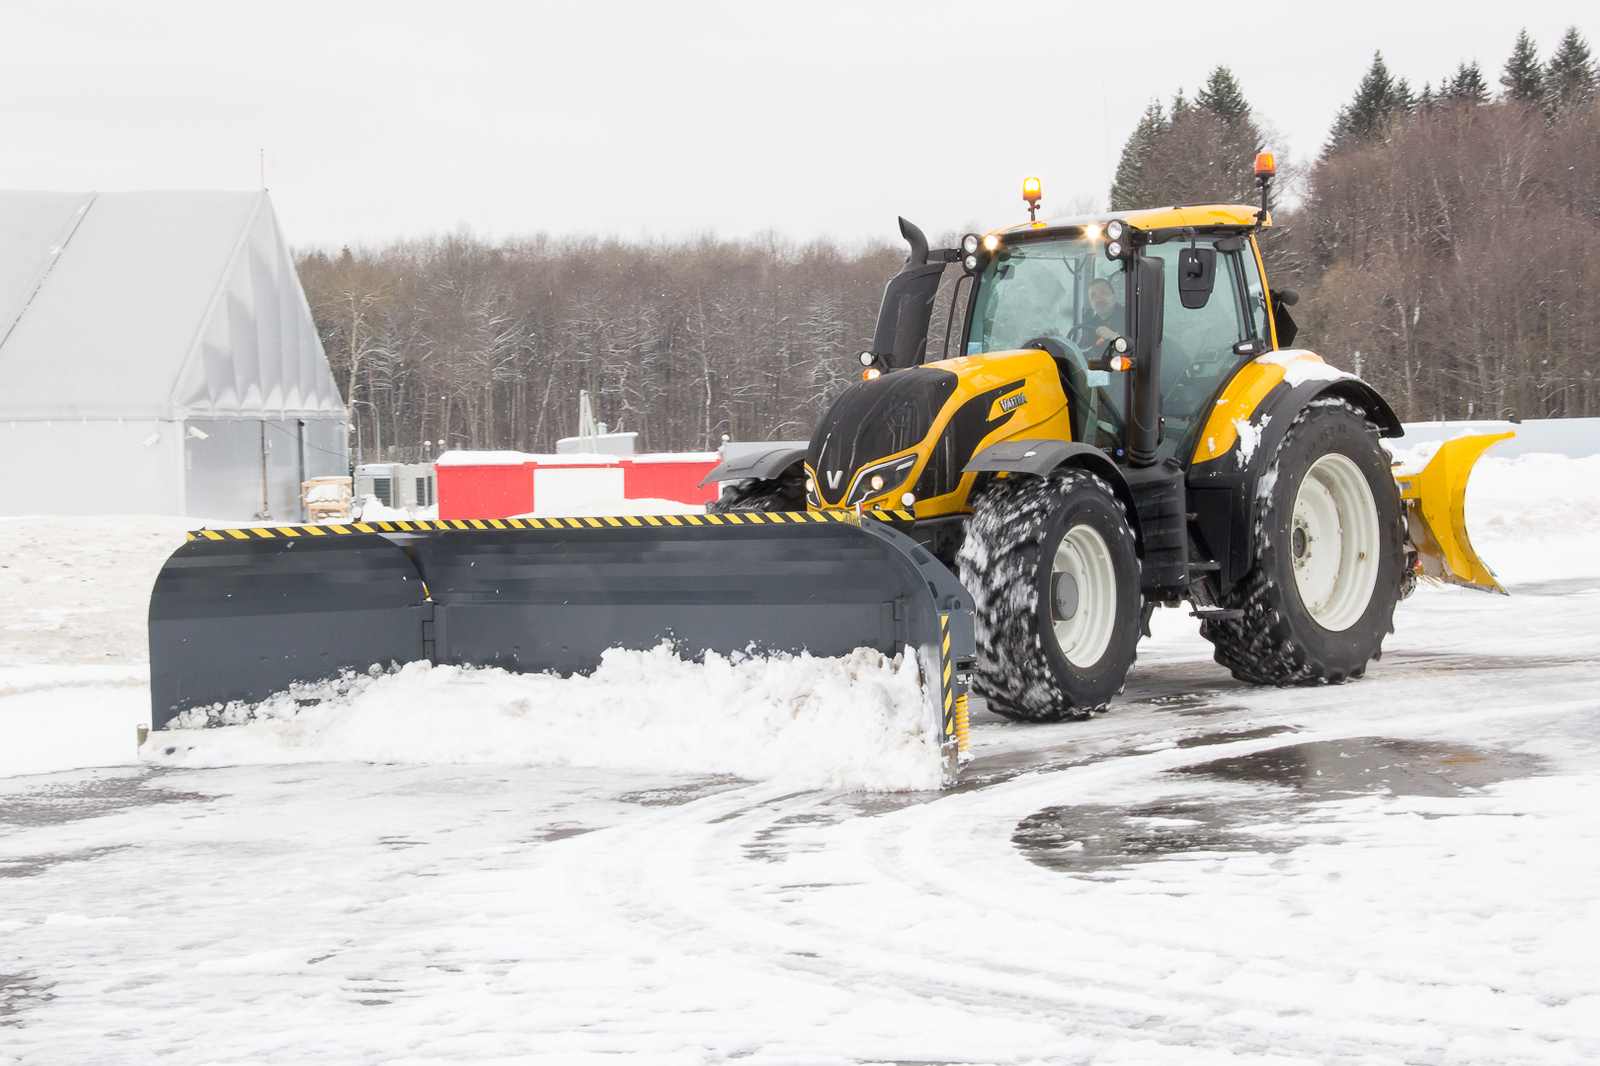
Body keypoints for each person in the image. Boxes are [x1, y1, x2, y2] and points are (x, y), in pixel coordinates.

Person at [1074, 278, 1124, 353]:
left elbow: (1136, 349)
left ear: (1114, 295)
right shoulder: (1090, 325)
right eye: (1093, 296)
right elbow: (1081, 352)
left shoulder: (1129, 317)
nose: (1098, 299)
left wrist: (1114, 337)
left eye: (1103, 293)